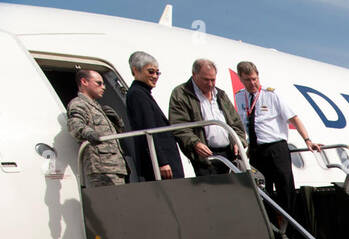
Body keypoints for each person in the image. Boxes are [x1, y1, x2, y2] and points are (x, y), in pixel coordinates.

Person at [235, 61, 322, 225]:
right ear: (241, 78)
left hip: (276, 148)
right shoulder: (240, 96)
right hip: (256, 150)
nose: (252, 83)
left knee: (285, 188)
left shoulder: (271, 95)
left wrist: (307, 140)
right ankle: (270, 225)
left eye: (254, 79)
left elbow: (294, 118)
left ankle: (291, 226)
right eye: (247, 80)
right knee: (261, 189)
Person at [168, 58, 246, 176]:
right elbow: (179, 126)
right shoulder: (181, 94)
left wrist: (238, 141)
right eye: (206, 80)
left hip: (229, 155)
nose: (210, 84)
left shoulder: (220, 95)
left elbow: (236, 123)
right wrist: (195, 143)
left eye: (213, 80)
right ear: (194, 75)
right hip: (205, 158)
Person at [124, 52, 184, 182]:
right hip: (161, 163)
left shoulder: (143, 93)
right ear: (135, 70)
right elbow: (148, 129)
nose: (155, 76)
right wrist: (161, 162)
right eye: (151, 72)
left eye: (157, 73)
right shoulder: (137, 94)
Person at [66, 69, 128, 187]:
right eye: (99, 83)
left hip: (116, 167)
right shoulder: (79, 104)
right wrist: (91, 134)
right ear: (84, 82)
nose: (103, 87)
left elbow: (115, 134)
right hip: (102, 168)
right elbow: (75, 124)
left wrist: (117, 123)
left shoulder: (97, 107)